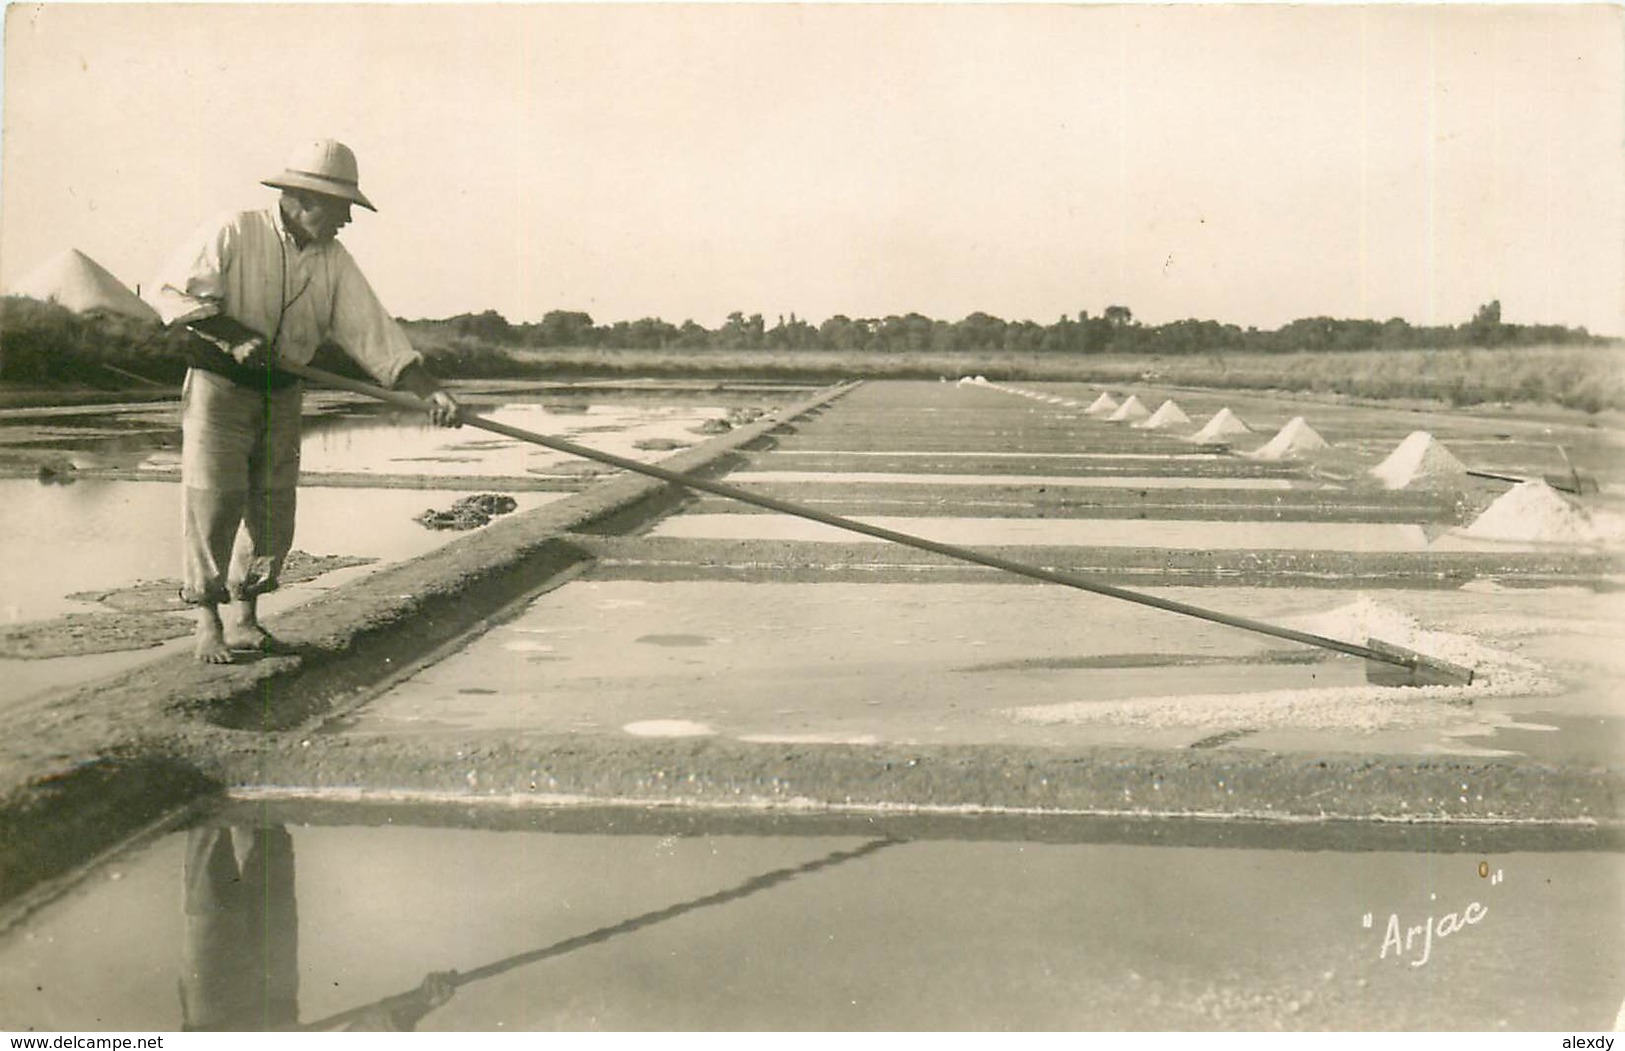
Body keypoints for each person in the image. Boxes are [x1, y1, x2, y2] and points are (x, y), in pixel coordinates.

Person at [147, 139, 460, 663]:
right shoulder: (235, 230)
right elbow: (171, 292)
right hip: (218, 389)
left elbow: (372, 331)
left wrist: (430, 390)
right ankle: (206, 621)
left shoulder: (333, 260)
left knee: (272, 510)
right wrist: (230, 333)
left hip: (282, 392)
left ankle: (245, 618)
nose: (347, 221)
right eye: (342, 208)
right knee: (214, 502)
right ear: (303, 198)